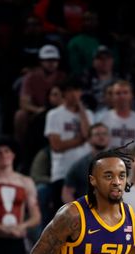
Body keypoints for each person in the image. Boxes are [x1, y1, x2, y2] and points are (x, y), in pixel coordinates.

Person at [43, 77, 93, 227]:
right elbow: (56, 145)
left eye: (78, 91)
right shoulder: (54, 115)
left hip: (85, 173)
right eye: (71, 91)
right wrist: (80, 140)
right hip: (62, 173)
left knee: (86, 221)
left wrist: (82, 110)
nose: (75, 95)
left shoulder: (88, 114)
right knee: (64, 221)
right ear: (64, 93)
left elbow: (89, 135)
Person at [15, 45, 66, 145]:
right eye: (47, 60)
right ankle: (19, 147)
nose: (51, 63)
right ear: (41, 61)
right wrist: (38, 110)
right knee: (20, 115)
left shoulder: (63, 77)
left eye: (54, 60)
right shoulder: (31, 77)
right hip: (37, 110)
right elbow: (24, 103)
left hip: (58, 108)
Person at [63, 122, 111, 202]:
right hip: (87, 209)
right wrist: (76, 211)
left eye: (104, 134)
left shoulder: (119, 163)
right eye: (97, 134)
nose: (101, 136)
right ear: (89, 140)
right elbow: (67, 193)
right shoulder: (79, 165)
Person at [99, 80, 135, 150]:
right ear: (112, 97)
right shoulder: (104, 118)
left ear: (131, 95)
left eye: (125, 93)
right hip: (110, 157)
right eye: (118, 93)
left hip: (134, 158)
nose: (122, 96)